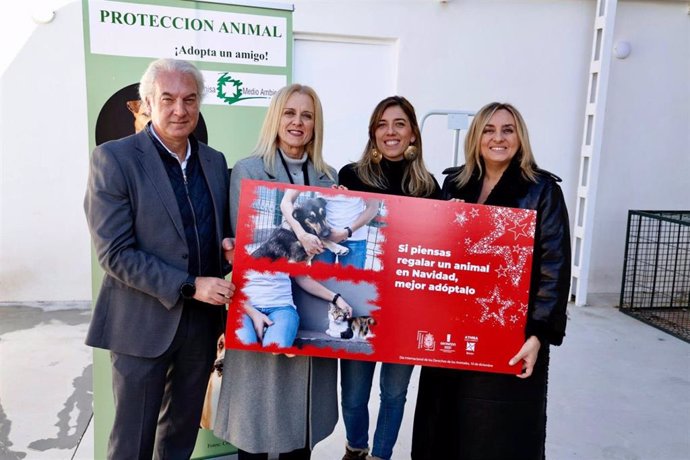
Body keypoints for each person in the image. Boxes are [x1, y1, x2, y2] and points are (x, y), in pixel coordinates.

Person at [83, 58, 235, 459]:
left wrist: (231, 250)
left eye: (189, 99)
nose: (179, 110)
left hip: (201, 327)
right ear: (147, 102)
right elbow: (115, 253)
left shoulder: (215, 162)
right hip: (141, 324)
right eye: (167, 99)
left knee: (180, 436)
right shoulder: (114, 159)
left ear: (200, 103)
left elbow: (219, 234)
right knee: (132, 442)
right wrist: (190, 285)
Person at [411, 102, 571, 460]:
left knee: (496, 431)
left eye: (508, 130)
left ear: (520, 137)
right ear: (476, 137)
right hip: (451, 331)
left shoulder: (542, 190)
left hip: (508, 331)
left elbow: (554, 266)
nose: (498, 138)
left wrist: (538, 335)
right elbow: (433, 250)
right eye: (489, 130)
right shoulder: (455, 182)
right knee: (444, 426)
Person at [213, 84, 340, 459]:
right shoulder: (249, 170)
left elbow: (329, 247)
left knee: (299, 432)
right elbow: (248, 243)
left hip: (309, 308)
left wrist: (341, 205)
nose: (297, 122)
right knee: (255, 425)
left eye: (307, 115)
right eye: (289, 113)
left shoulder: (327, 177)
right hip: (264, 301)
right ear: (275, 118)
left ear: (316, 124)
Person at [337, 96, 441, 460]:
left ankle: (381, 455)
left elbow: (438, 246)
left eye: (399, 123)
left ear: (412, 131)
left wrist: (456, 220)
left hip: (406, 309)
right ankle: (356, 447)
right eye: (382, 124)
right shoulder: (351, 176)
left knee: (395, 394)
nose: (391, 131)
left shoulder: (428, 185)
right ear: (373, 132)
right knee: (353, 393)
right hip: (361, 301)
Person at [237, 270, 353, 348]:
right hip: (244, 307)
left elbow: (302, 278)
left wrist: (336, 298)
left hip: (282, 308)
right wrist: (253, 312)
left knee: (276, 345)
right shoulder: (240, 238)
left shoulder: (288, 238)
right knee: (244, 342)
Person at [281, 189, 381, 269]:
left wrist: (347, 232)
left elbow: (373, 207)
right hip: (321, 240)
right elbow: (286, 201)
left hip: (354, 239)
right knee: (320, 285)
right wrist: (302, 235)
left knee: (351, 288)